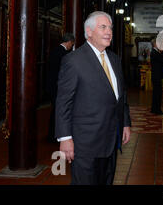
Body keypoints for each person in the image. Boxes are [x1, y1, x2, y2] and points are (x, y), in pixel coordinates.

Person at [55, 11, 131, 185]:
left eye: (110, 28)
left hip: (111, 140)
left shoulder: (115, 59)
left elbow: (121, 96)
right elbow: (63, 102)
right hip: (85, 143)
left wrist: (125, 122)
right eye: (103, 27)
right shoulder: (74, 61)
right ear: (89, 32)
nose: (109, 32)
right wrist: (65, 138)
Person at [46, 33, 75, 142]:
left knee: (55, 111)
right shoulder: (63, 54)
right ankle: (54, 135)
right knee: (58, 111)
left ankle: (52, 134)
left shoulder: (55, 51)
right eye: (72, 44)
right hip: (57, 87)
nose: (71, 47)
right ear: (69, 42)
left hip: (52, 85)